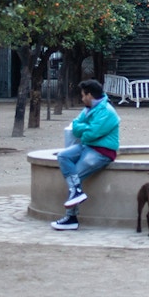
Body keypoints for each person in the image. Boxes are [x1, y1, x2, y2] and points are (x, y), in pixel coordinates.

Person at [51, 79, 120, 231]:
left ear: (89, 95)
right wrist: (85, 129)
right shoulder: (88, 109)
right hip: (87, 146)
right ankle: (76, 193)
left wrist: (84, 129)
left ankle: (71, 217)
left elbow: (90, 134)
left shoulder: (108, 112)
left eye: (83, 95)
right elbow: (75, 127)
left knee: (77, 175)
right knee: (63, 156)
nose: (82, 99)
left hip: (102, 151)